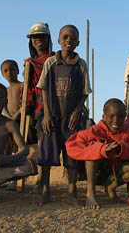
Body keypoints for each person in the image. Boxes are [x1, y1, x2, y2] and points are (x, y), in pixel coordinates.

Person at [36, 24, 92, 206]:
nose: (69, 40)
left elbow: (85, 91)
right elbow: (43, 87)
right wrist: (46, 114)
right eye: (65, 37)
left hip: (71, 119)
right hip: (51, 117)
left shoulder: (80, 64)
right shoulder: (51, 62)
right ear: (59, 40)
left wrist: (77, 110)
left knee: (72, 157)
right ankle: (45, 191)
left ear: (78, 42)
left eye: (73, 38)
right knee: (46, 153)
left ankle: (71, 193)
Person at [66, 99, 129, 209]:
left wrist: (124, 149)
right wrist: (102, 149)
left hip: (115, 174)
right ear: (103, 117)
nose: (116, 120)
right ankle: (91, 194)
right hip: (96, 173)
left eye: (120, 116)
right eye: (111, 116)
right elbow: (71, 144)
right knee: (92, 151)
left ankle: (110, 187)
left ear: (125, 116)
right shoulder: (95, 130)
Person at [24, 22, 54, 192]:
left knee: (47, 145)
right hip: (37, 110)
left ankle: (44, 180)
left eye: (42, 37)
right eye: (35, 37)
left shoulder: (56, 59)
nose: (38, 40)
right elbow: (29, 88)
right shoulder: (30, 63)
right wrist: (27, 108)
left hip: (56, 108)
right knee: (39, 145)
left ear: (48, 39)